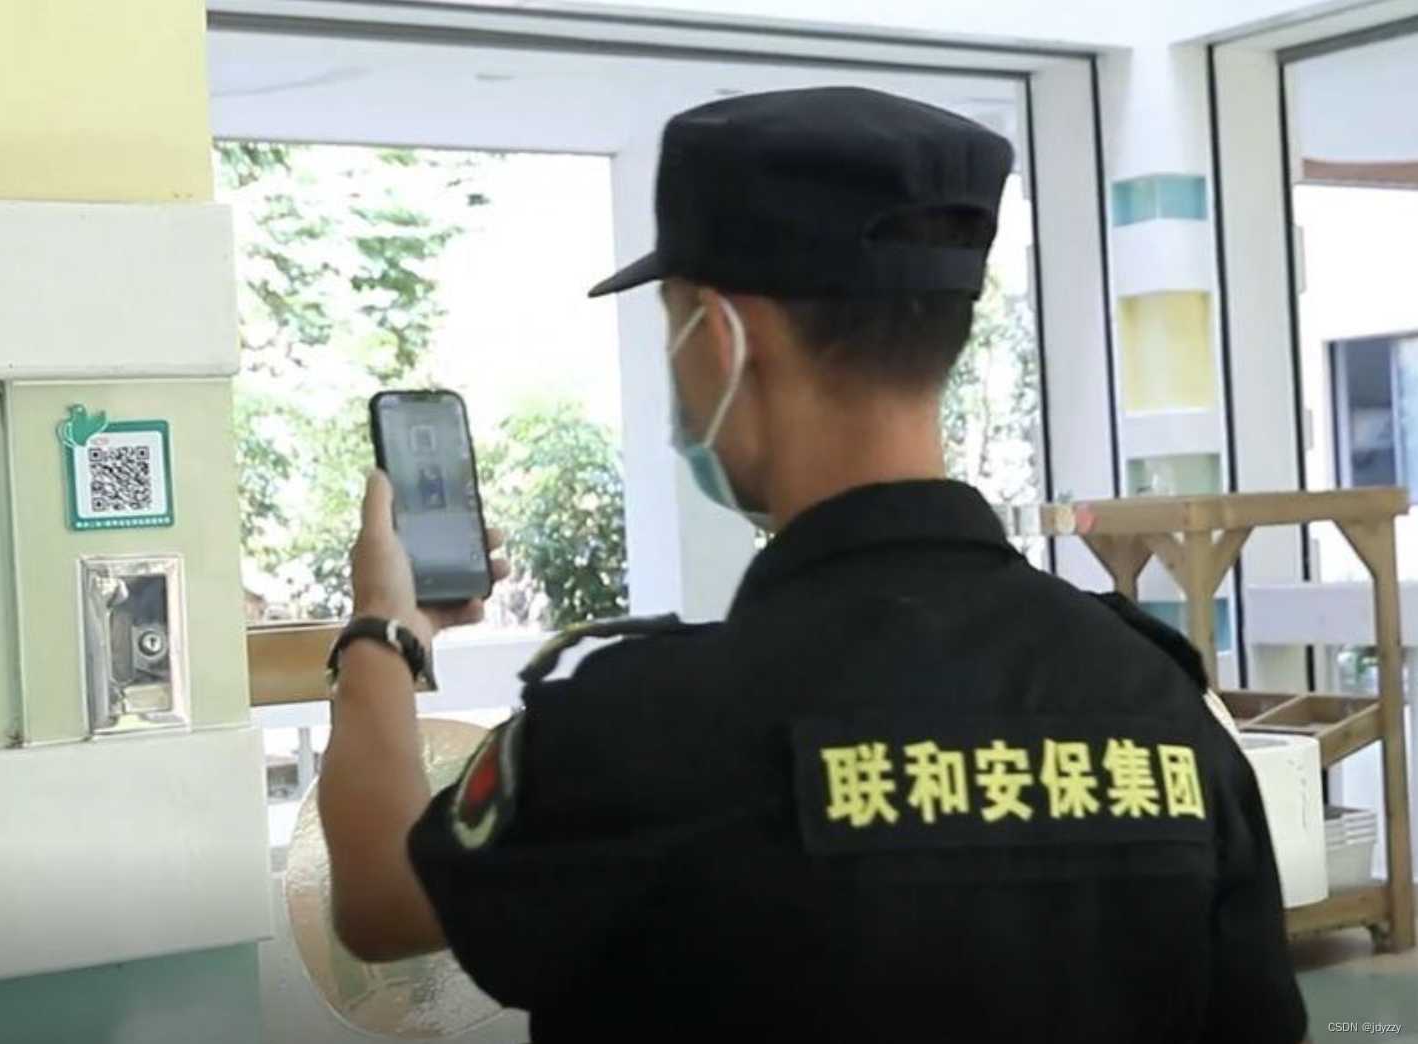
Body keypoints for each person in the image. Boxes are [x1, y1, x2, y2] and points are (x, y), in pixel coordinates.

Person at [316, 86, 1307, 1044]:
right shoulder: (1158, 704)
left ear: (722, 337)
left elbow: (378, 898)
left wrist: (383, 629)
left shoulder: (634, 725)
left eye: (671, 324)